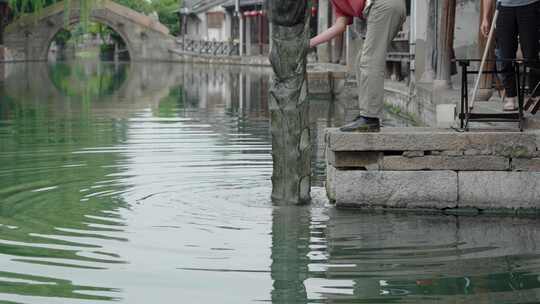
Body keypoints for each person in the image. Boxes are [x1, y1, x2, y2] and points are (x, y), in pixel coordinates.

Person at [310, 0, 406, 132]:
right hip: (384, 8)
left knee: (369, 59)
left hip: (383, 5)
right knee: (361, 60)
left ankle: (370, 118)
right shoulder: (336, 3)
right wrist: (308, 44)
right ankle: (367, 115)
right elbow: (339, 26)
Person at [481, 0, 540, 111]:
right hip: (504, 8)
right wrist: (485, 17)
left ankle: (536, 95)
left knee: (531, 53)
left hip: (530, 6)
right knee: (505, 55)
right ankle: (510, 96)